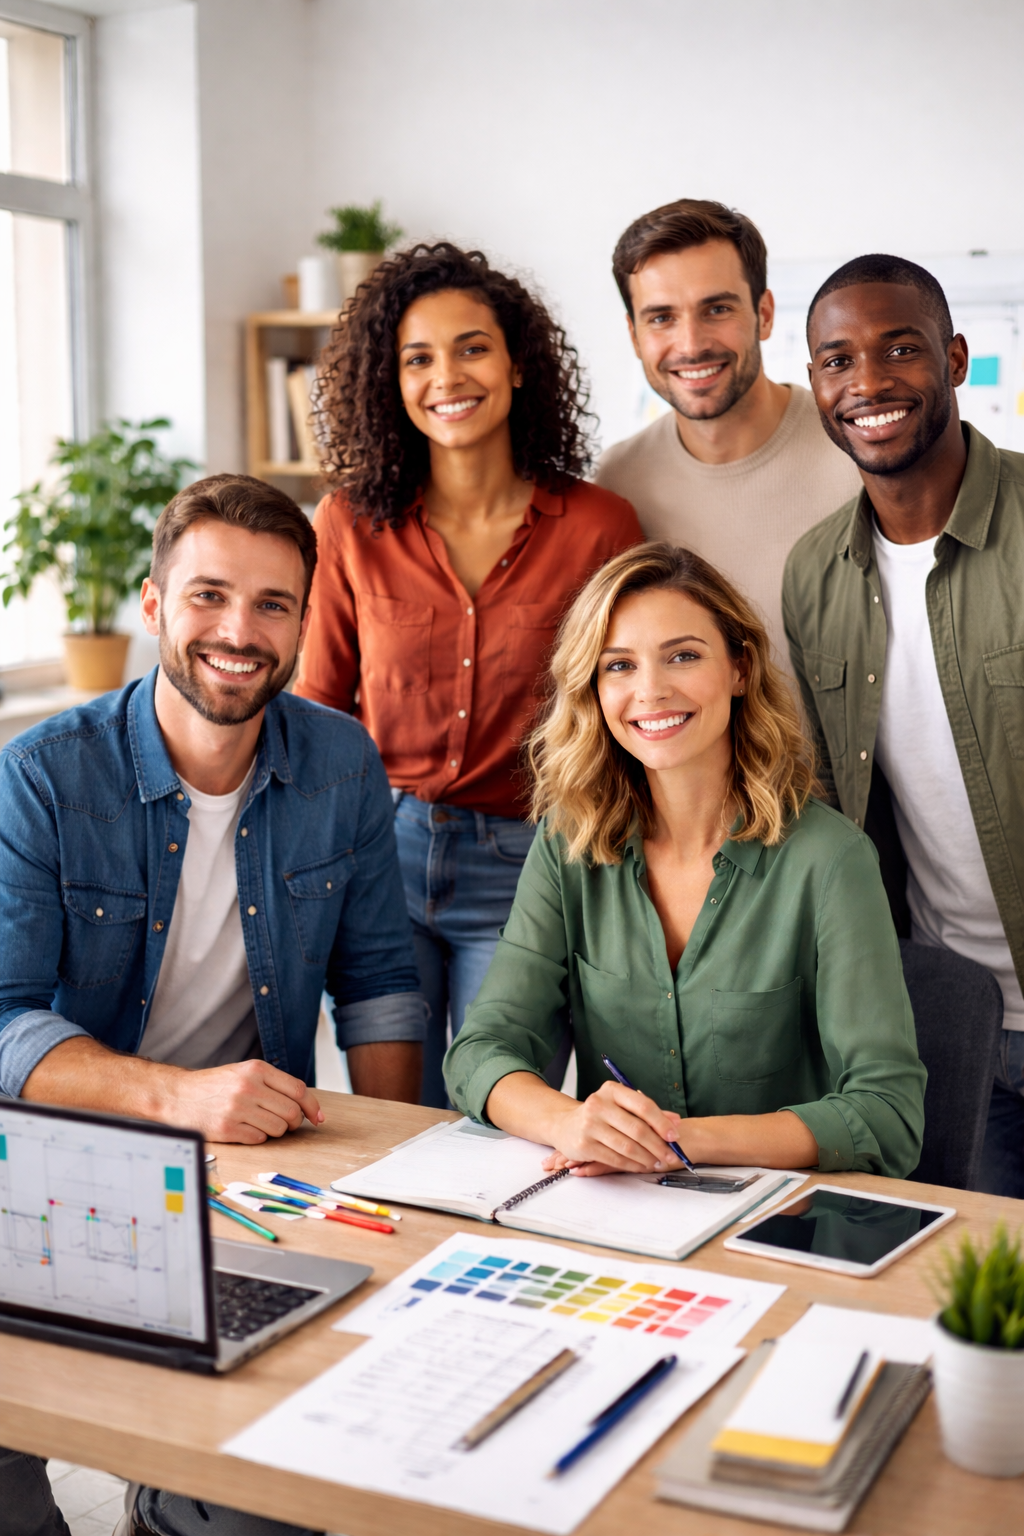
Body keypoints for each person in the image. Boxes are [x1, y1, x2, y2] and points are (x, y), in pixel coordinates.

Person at [0, 474, 425, 1536]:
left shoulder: (340, 762)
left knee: (289, 1473)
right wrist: (174, 1098)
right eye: (208, 597)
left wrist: (406, 1183)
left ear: (302, 619)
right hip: (61, 1150)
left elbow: (377, 987)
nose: (240, 631)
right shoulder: (43, 776)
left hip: (246, 1165)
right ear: (153, 605)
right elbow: (2, 1022)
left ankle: (177, 1504)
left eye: (272, 604)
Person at [444, 542, 925, 1179]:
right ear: (593, 687)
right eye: (619, 665)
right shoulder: (569, 842)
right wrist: (571, 1124)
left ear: (740, 669)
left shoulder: (832, 861)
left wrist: (674, 1140)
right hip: (614, 1211)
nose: (651, 690)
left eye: (683, 656)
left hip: (778, 1220)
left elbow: (888, 1115)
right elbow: (480, 1051)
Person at [295, 242, 643, 1107]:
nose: (446, 375)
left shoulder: (599, 525)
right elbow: (315, 707)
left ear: (519, 364)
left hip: (531, 862)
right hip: (381, 852)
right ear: (391, 379)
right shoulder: (348, 523)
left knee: (495, 1116)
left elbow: (622, 711)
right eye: (418, 357)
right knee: (390, 1122)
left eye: (472, 347)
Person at [783, 254, 1024, 1200]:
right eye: (837, 361)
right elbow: (844, 809)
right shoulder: (816, 574)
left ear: (956, 359)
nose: (869, 383)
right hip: (951, 1018)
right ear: (815, 386)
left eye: (900, 350)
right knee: (992, 1312)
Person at [596, 199, 860, 668]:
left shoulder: (857, 453)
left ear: (765, 313)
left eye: (716, 309)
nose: (692, 344)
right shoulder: (619, 482)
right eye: (661, 318)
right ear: (634, 336)